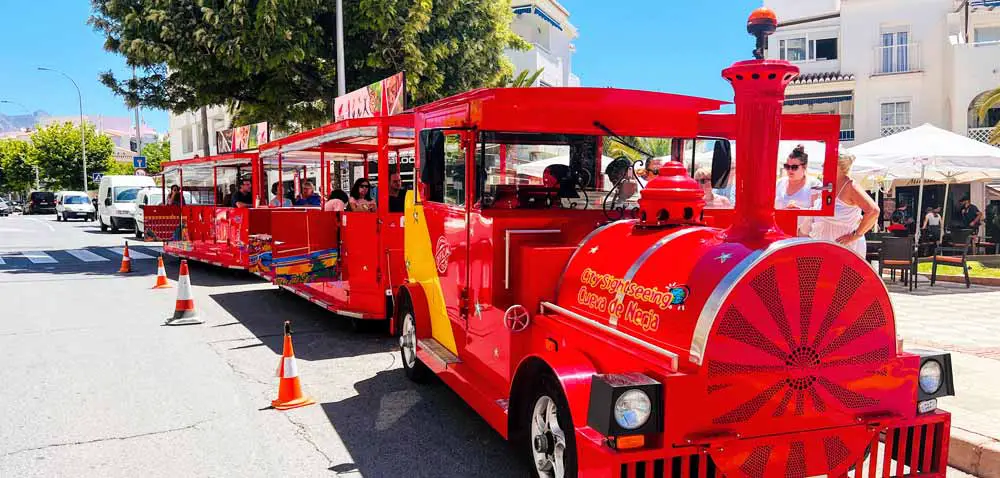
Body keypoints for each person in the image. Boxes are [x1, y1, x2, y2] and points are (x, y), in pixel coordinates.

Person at [808, 153, 880, 259]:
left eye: (826, 163)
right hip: (826, 244)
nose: (822, 166)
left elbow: (874, 211)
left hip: (845, 246)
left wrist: (856, 235)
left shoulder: (850, 186)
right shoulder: (828, 185)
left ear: (839, 166)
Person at [775, 144, 820, 210]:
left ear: (804, 167)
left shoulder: (814, 184)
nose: (790, 170)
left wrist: (799, 210)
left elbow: (817, 211)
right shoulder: (779, 183)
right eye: (787, 166)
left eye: (794, 167)